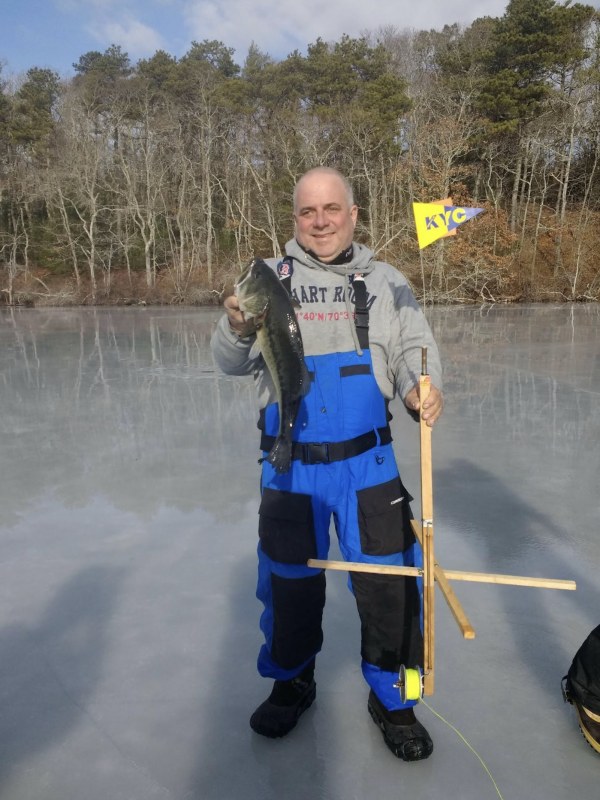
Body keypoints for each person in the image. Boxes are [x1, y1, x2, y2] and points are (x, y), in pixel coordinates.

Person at [210, 166, 443, 761]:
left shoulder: (387, 280)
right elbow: (230, 361)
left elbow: (415, 351)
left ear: (353, 213)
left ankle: (394, 698)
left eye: (331, 209)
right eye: (307, 211)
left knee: (392, 586)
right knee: (287, 583)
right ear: (294, 219)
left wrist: (421, 390)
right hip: (291, 464)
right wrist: (236, 327)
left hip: (369, 464)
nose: (320, 222)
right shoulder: (268, 280)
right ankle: (291, 681)